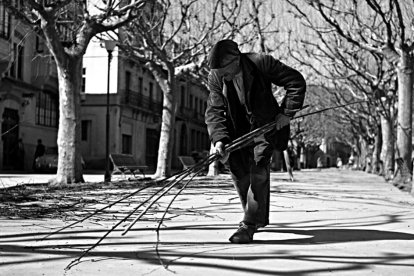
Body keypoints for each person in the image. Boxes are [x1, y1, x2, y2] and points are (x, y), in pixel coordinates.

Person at [205, 40, 306, 243]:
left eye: (225, 71)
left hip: (264, 126)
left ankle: (248, 225)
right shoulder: (216, 75)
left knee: (258, 169)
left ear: (236, 61)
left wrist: (287, 112)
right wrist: (219, 140)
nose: (222, 76)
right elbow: (215, 110)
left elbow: (296, 81)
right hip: (236, 131)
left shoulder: (260, 62)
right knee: (238, 172)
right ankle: (256, 217)